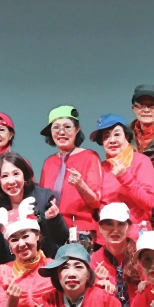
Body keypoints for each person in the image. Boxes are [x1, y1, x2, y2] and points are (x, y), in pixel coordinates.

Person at [0, 152, 67, 267]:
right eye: (4, 176)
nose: (11, 181)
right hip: (10, 268)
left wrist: (54, 218)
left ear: (24, 175)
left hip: (45, 266)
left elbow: (61, 238)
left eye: (16, 174)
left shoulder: (44, 196)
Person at [38, 105, 102, 245]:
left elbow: (95, 201)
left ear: (77, 129)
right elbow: (42, 199)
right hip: (52, 229)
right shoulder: (49, 162)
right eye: (56, 127)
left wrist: (80, 185)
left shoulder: (89, 157)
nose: (61, 132)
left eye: (67, 127)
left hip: (80, 230)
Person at [90, 114, 154, 238]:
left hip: (135, 236)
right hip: (106, 238)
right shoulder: (101, 167)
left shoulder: (141, 161)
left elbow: (149, 202)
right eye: (106, 136)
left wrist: (124, 177)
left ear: (126, 136)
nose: (112, 140)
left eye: (117, 134)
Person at [90, 202, 143, 307]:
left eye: (120, 224)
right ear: (100, 228)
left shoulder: (141, 255)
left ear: (129, 227)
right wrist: (98, 287)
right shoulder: (95, 259)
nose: (115, 230)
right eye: (109, 224)